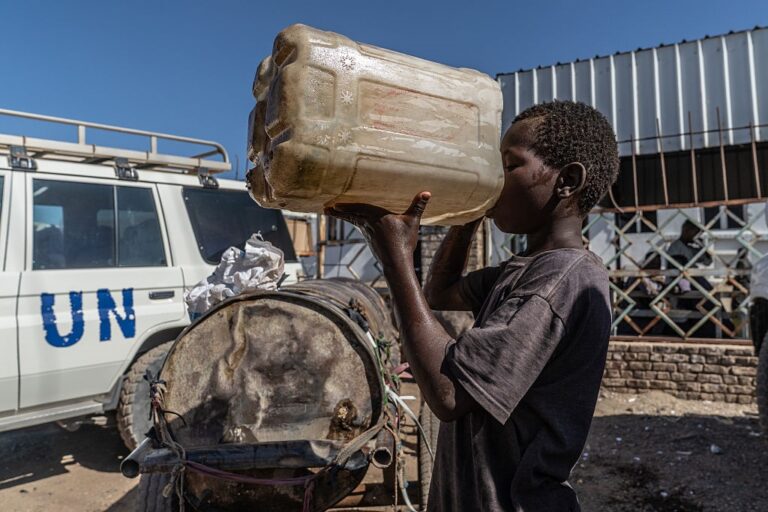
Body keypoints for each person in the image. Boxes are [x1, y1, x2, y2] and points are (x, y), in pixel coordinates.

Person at [326, 100, 619, 511]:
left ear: (566, 181)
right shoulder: (524, 269)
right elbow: (440, 293)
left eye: (508, 166)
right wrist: (467, 214)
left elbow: (448, 394)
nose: (494, 178)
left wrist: (396, 259)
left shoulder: (562, 280)